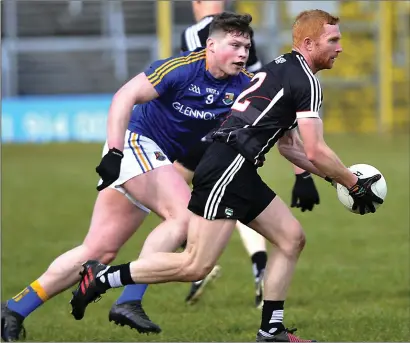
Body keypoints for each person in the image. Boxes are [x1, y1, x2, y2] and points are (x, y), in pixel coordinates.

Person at [69, 9, 383, 342]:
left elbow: (291, 148)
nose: (340, 47)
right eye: (333, 40)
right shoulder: (306, 80)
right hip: (228, 168)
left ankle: (271, 330)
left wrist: (333, 179)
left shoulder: (283, 68)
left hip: (238, 167)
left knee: (292, 239)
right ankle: (104, 277)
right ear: (308, 43)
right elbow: (316, 149)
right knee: (195, 265)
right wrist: (352, 183)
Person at [1, 12, 255, 341]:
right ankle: (129, 299)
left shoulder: (242, 85)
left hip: (154, 160)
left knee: (98, 250)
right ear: (210, 45)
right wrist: (114, 152)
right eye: (234, 45)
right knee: (183, 217)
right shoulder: (181, 68)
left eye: (247, 47)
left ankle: (14, 309)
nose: (242, 53)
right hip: (135, 145)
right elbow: (125, 96)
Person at [177, 0, 321, 309]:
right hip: (249, 131)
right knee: (233, 198)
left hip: (217, 129)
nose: (241, 52)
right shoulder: (245, 35)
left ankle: (190, 258)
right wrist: (302, 173)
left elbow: (198, 78)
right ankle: (253, 267)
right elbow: (269, 96)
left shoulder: (198, 33)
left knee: (177, 191)